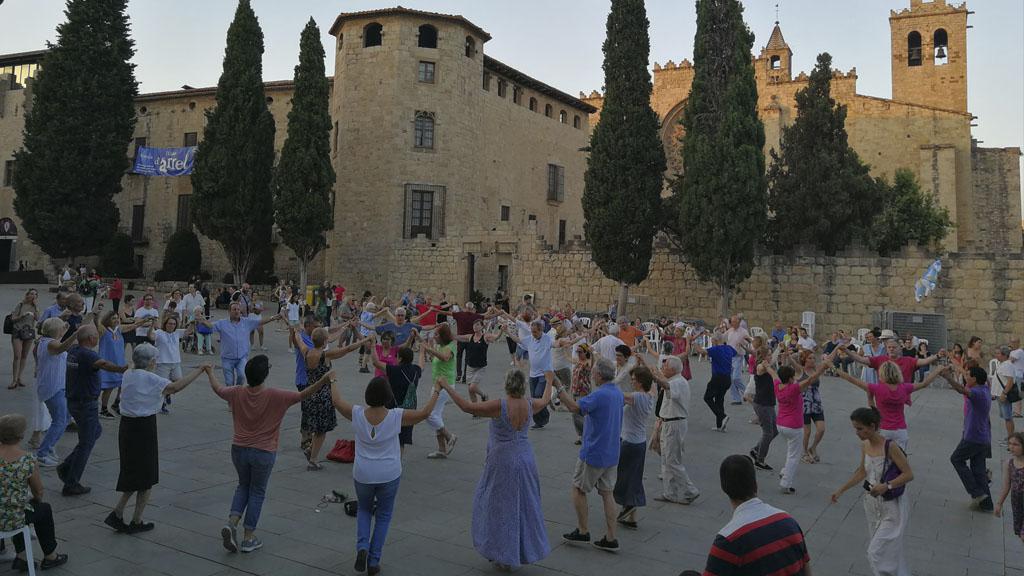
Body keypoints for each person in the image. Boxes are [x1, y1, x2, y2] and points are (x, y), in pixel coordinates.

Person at [212, 356, 334, 554]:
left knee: (243, 485)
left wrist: (209, 372)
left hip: (239, 448)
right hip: (263, 451)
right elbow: (303, 394)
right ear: (265, 375)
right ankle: (248, 538)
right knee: (257, 491)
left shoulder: (236, 392)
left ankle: (231, 523)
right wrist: (324, 379)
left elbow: (218, 389)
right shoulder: (276, 395)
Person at [440, 370, 552, 570]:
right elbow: (545, 400)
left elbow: (467, 407)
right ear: (523, 386)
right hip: (526, 459)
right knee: (524, 505)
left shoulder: (500, 405)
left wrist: (446, 385)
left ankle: (502, 553)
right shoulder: (529, 403)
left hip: (502, 460)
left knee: (498, 506)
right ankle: (517, 551)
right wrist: (550, 381)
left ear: (507, 384)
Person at [330, 375, 442, 574]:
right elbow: (425, 413)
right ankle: (373, 561)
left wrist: (332, 380)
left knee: (364, 510)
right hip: (389, 473)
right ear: (388, 396)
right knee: (383, 515)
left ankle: (362, 547)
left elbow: (337, 401)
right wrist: (437, 390)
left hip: (363, 473)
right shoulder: (396, 416)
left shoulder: (357, 413)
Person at [103, 344, 208, 534]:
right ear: (151, 362)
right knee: (146, 477)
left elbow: (136, 368)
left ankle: (118, 513)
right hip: (143, 427)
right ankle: (136, 520)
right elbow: (175, 387)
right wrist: (200, 370)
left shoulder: (128, 373)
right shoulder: (151, 378)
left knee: (132, 473)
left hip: (126, 426)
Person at [687, 455, 811, 576]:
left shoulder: (728, 540)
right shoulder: (788, 521)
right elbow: (806, 568)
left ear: (724, 488)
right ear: (755, 484)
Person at [830, 407, 914, 575]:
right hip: (872, 505)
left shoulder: (890, 446)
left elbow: (908, 474)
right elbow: (862, 472)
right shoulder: (865, 445)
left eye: (860, 428)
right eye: (855, 428)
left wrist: (887, 485)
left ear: (873, 426)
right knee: (887, 551)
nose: (857, 432)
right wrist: (841, 490)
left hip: (891, 506)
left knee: (875, 552)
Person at [554, 356, 624, 552]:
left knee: (578, 488)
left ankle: (583, 530)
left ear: (599, 375)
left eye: (594, 372)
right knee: (607, 493)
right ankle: (611, 537)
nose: (592, 375)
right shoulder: (617, 392)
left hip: (594, 451)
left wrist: (558, 386)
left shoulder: (599, 395)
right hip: (612, 451)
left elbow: (574, 408)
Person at [58, 325, 128, 496]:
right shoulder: (88, 354)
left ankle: (67, 465)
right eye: (96, 335)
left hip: (75, 400)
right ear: (90, 339)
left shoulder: (74, 350)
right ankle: (71, 483)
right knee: (86, 443)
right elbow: (103, 364)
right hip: (85, 403)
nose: (98, 337)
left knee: (95, 431)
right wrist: (121, 369)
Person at [291, 325, 370, 470]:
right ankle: (313, 460)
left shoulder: (306, 352)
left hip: (309, 394)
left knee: (315, 426)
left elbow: (299, 340)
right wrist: (365, 340)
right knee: (321, 430)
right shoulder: (325, 355)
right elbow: (347, 349)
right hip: (323, 396)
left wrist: (296, 332)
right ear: (325, 341)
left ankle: (311, 450)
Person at [0, 414, 69, 571]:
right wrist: (34, 499)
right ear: (21, 436)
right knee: (41, 509)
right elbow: (38, 491)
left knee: (15, 505)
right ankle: (50, 556)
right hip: (12, 518)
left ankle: (22, 556)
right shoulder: (27, 460)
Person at [835, 362, 949, 450]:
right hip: (900, 430)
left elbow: (852, 379)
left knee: (881, 461)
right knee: (898, 464)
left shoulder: (877, 388)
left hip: (883, 429)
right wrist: (938, 370)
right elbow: (924, 383)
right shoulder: (905, 387)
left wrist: (833, 367)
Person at [765, 355, 829, 495]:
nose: (795, 378)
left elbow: (773, 373)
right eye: (793, 376)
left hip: (780, 425)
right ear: (790, 379)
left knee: (791, 451)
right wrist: (824, 367)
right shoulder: (794, 388)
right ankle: (785, 484)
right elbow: (811, 379)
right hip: (793, 426)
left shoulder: (777, 385)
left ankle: (784, 472)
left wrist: (766, 365)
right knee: (794, 457)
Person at [945, 366, 994, 511]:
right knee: (978, 470)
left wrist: (947, 377)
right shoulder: (985, 389)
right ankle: (987, 504)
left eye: (968, 375)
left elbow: (961, 389)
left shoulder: (978, 393)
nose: (965, 377)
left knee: (956, 459)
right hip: (982, 436)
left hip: (974, 436)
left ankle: (976, 493)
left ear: (975, 379)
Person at [199, 302, 281, 386]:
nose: (237, 311)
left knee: (242, 376)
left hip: (242, 358)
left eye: (238, 309)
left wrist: (272, 318)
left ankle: (237, 391)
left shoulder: (246, 322)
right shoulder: (222, 323)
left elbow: (260, 322)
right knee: (229, 382)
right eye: (234, 309)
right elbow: (211, 326)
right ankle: (232, 392)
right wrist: (203, 321)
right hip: (227, 358)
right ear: (229, 311)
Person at [33, 318, 80, 467]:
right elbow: (62, 347)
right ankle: (42, 454)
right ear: (56, 330)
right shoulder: (51, 344)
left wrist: (91, 315)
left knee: (65, 419)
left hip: (57, 386)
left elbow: (62, 341)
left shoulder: (45, 341)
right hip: (53, 387)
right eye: (62, 328)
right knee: (59, 421)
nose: (64, 330)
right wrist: (76, 334)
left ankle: (49, 445)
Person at [612, 366, 654, 529]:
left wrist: (610, 383)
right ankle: (631, 518)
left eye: (634, 379)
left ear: (641, 382)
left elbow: (618, 395)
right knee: (634, 477)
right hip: (639, 442)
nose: (631, 381)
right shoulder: (649, 396)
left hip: (630, 443)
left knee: (624, 476)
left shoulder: (637, 397)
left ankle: (628, 505)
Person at [99, 310, 149, 418]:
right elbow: (97, 324)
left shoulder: (119, 329)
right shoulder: (104, 330)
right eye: (113, 318)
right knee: (109, 388)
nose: (116, 320)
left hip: (120, 362)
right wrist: (95, 315)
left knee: (123, 383)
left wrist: (144, 320)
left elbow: (133, 325)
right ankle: (103, 409)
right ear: (107, 320)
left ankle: (116, 403)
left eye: (117, 318)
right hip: (108, 364)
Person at [422, 324, 459, 457]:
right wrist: (418, 337)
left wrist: (430, 350)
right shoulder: (439, 346)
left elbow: (445, 357)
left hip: (445, 386)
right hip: (437, 384)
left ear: (443, 336)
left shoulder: (451, 346)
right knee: (436, 415)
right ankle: (442, 449)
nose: (434, 336)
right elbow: (433, 354)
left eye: (436, 334)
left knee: (429, 414)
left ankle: (449, 436)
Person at [693, 333, 736, 432]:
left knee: (707, 397)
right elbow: (735, 353)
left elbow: (701, 351)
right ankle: (720, 425)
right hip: (727, 378)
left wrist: (694, 343)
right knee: (719, 400)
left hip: (717, 378)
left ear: (716, 340)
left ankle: (723, 416)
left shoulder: (715, 349)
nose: (711, 342)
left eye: (712, 340)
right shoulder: (729, 348)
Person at [455, 319, 504, 402]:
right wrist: (447, 333)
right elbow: (458, 337)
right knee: (470, 390)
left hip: (480, 367)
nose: (475, 326)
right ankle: (475, 407)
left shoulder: (485, 337)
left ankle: (484, 395)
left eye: (477, 324)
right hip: (470, 367)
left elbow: (496, 337)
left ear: (482, 326)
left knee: (472, 387)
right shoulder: (470, 337)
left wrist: (501, 331)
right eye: (474, 325)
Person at [745, 345, 777, 470]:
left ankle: (756, 449)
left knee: (775, 431)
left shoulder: (767, 365)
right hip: (762, 404)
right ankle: (760, 460)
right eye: (768, 354)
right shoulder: (760, 366)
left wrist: (779, 351)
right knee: (768, 433)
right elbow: (763, 368)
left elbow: (772, 362)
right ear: (763, 356)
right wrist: (768, 363)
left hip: (769, 403)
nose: (770, 356)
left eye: (770, 354)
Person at [994, 432, 1024, 542]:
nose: (1012, 447)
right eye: (1010, 444)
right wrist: (999, 504)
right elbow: (1006, 486)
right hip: (1017, 502)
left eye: (1016, 444)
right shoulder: (1008, 463)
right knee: (1020, 533)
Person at [8, 288, 39, 389]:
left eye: (35, 294)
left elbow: (38, 318)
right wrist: (22, 315)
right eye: (31, 294)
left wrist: (36, 307)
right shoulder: (20, 305)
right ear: (27, 295)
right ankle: (14, 380)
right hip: (17, 331)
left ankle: (19, 378)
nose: (33, 296)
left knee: (24, 356)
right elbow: (13, 318)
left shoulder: (35, 307)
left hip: (29, 332)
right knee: (17, 356)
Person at [570, 344, 594, 445]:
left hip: (584, 391)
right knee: (576, 414)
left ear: (585, 352)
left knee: (578, 414)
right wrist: (564, 350)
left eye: (580, 352)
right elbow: (568, 358)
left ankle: (586, 434)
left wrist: (592, 353)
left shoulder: (587, 362)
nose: (578, 354)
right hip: (575, 391)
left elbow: (592, 364)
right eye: (577, 352)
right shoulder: (578, 362)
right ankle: (581, 435)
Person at [725, 315, 752, 404]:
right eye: (731, 322)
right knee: (730, 379)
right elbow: (722, 338)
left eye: (734, 321)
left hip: (738, 356)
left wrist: (743, 342)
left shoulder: (743, 331)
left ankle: (747, 394)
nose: (732, 323)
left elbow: (750, 341)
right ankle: (736, 399)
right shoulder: (730, 330)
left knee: (736, 378)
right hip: (729, 356)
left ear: (738, 322)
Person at [995, 346, 1019, 446]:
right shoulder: (1003, 364)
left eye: (998, 353)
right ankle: (1009, 437)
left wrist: (1004, 393)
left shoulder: (1007, 365)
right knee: (1006, 417)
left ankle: (1011, 439)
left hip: (1003, 395)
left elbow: (1010, 381)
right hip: (1000, 395)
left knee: (1008, 417)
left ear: (1004, 355)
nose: (996, 355)